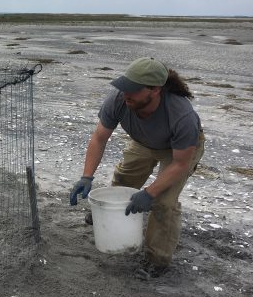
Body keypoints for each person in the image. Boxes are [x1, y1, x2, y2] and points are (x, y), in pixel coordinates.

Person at [69, 57, 205, 280]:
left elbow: (180, 163)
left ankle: (157, 260)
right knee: (123, 181)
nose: (126, 94)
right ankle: (108, 216)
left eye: (133, 90)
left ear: (155, 90)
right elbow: (99, 137)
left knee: (163, 202)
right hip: (143, 142)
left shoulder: (182, 116)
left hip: (178, 150)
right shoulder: (119, 100)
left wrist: (150, 193)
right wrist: (86, 176)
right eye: (124, 87)